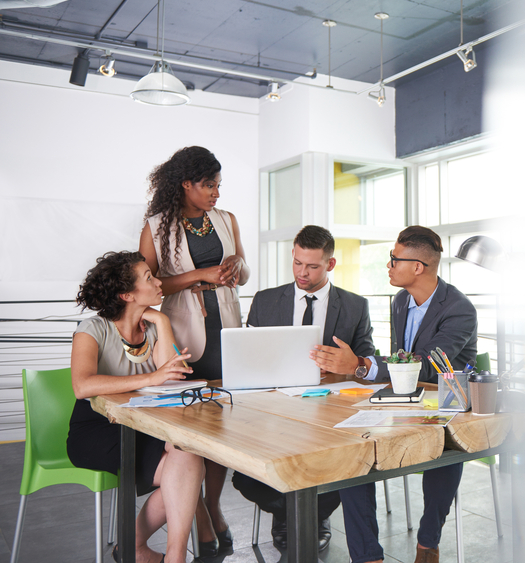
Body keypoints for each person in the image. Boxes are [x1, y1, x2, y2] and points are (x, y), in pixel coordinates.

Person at [311, 225, 477, 563]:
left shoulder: (459, 308)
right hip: (405, 400)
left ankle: (428, 543)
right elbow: (402, 358)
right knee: (353, 451)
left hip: (447, 406)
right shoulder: (401, 301)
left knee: (443, 444)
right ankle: (368, 556)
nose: (388, 265)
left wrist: (360, 363)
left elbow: (427, 365)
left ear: (417, 267)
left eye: (394, 259)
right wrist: (358, 369)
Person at [231, 225, 376, 552]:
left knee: (347, 464)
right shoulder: (266, 300)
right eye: (297, 263)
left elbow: (365, 367)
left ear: (330, 264)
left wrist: (346, 365)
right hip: (273, 412)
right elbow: (248, 357)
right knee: (244, 476)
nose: (302, 273)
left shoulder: (355, 306)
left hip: (330, 413)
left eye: (312, 266)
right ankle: (295, 512)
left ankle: (311, 514)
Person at [138, 145, 248, 556]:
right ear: (185, 184)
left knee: (220, 428)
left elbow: (244, 270)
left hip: (226, 330)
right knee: (187, 434)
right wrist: (198, 275)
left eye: (218, 185)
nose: (216, 192)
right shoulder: (156, 227)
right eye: (208, 185)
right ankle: (199, 515)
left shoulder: (226, 219)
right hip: (183, 335)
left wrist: (235, 267)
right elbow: (147, 285)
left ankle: (213, 506)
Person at [67, 251, 203, 563]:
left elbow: (171, 376)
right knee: (185, 471)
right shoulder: (92, 329)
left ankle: (172, 556)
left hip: (144, 425)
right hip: (98, 429)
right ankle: (141, 549)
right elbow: (82, 385)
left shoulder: (153, 327)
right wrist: (152, 377)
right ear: (127, 295)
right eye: (149, 278)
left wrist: (162, 320)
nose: (159, 282)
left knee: (187, 454)